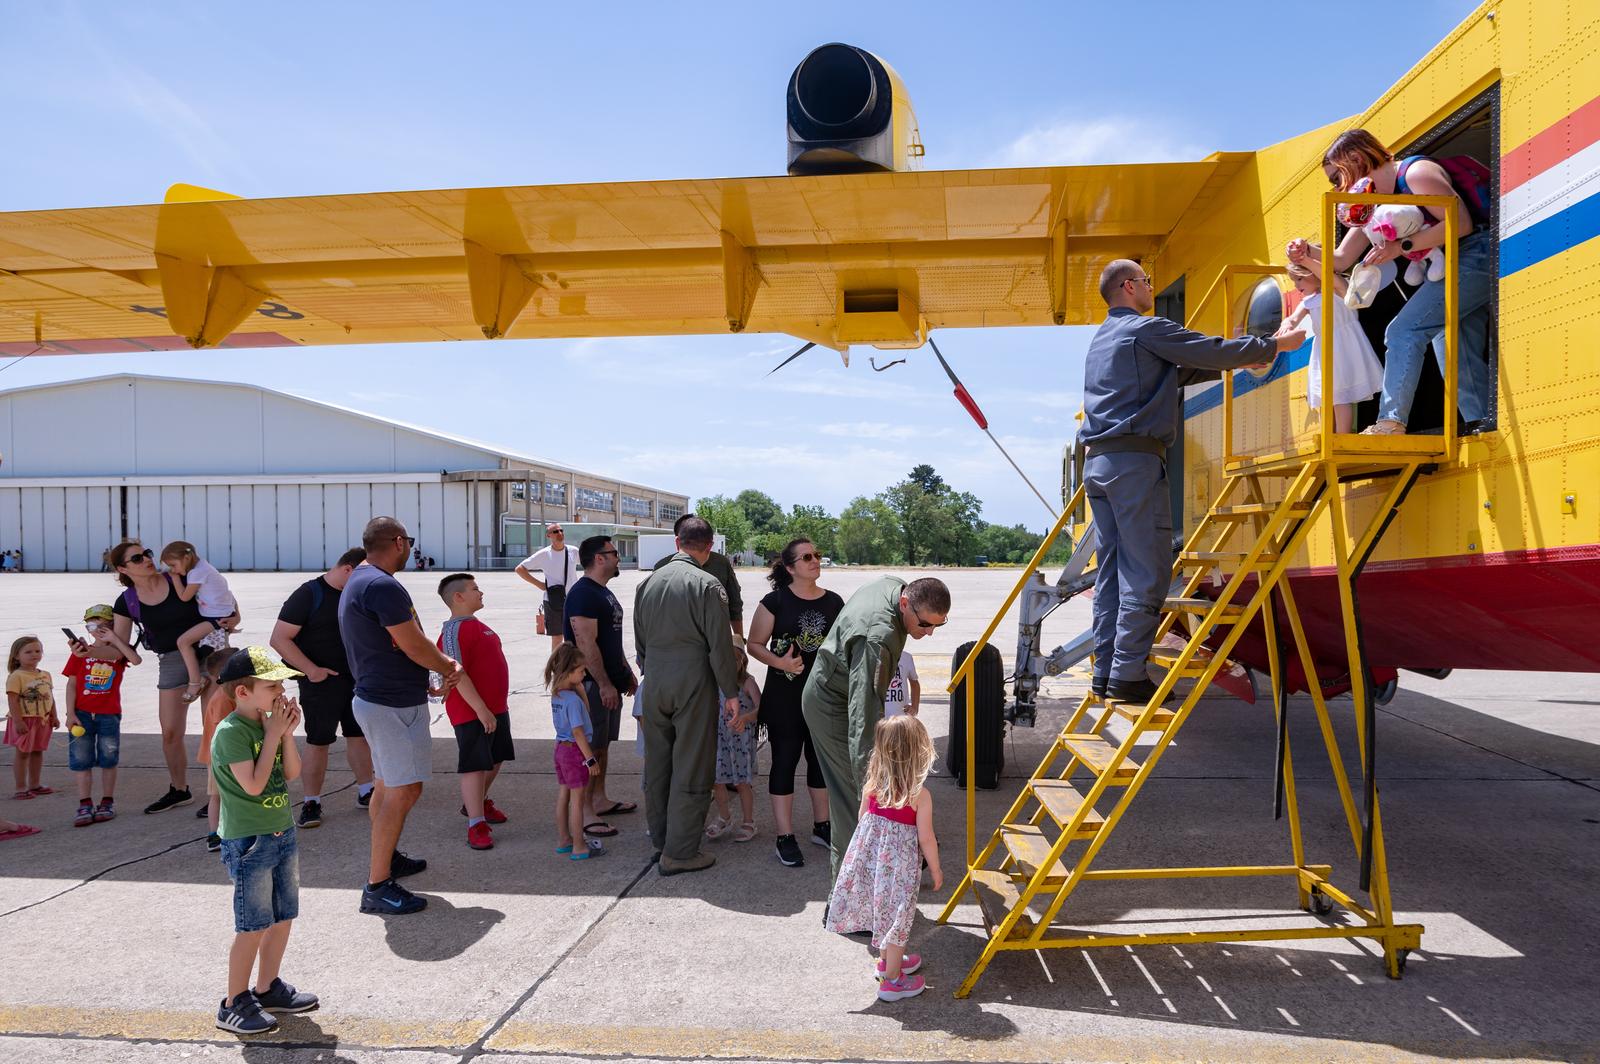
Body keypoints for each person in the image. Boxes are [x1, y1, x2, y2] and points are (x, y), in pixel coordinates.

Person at [1082, 260, 1302, 704]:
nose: (1151, 287)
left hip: (1100, 466)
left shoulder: (1103, 340)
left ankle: (1105, 672)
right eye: (1147, 281)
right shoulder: (1145, 329)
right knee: (1146, 573)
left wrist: (1242, 356)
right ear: (1129, 286)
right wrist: (1275, 344)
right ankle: (1127, 676)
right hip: (1134, 465)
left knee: (1111, 575)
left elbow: (1177, 372)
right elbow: (1208, 351)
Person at [1290, 128, 1493, 436]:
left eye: (1336, 177)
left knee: (1403, 330)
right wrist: (1305, 252)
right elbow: (1342, 259)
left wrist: (1400, 247)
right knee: (1453, 350)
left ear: (1356, 159)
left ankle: (1390, 422)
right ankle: (1482, 425)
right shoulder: (1371, 201)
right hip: (1453, 263)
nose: (1338, 187)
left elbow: (1461, 223)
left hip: (1476, 252)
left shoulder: (1416, 174)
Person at [339, 516, 462, 917]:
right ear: (397, 542)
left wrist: (424, 678)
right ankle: (377, 885)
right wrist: (448, 667)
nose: (409, 547)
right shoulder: (381, 585)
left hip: (382, 699)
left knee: (386, 785)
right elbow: (411, 642)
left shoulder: (362, 580)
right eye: (408, 541)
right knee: (404, 790)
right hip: (390, 705)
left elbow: (393, 644)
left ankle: (386, 858)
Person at [802, 575, 950, 885]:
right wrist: (871, 785)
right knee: (851, 802)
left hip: (845, 692)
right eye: (925, 624)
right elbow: (863, 718)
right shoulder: (877, 639)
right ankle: (845, 896)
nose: (930, 633)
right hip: (832, 706)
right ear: (905, 603)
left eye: (939, 625)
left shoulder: (894, 587)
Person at [208, 646, 318, 1035]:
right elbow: (253, 786)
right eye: (272, 686)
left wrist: (285, 735)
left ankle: (267, 987)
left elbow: (291, 773)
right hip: (249, 841)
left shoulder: (266, 726)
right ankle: (233, 1002)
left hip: (280, 832)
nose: (281, 692)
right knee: (253, 925)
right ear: (243, 693)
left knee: (282, 918)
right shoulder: (231, 733)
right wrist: (272, 734)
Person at [633, 515, 742, 876]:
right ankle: (680, 853)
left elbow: (640, 643)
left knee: (658, 763)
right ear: (709, 546)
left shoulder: (648, 583)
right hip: (692, 679)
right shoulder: (707, 584)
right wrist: (730, 691)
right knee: (692, 763)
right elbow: (719, 645)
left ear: (677, 542)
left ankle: (662, 840)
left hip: (655, 679)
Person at [822, 714, 943, 1002]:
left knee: (883, 912)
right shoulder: (919, 795)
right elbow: (926, 837)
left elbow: (863, 819)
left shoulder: (872, 785)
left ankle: (887, 962)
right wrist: (936, 870)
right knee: (899, 918)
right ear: (918, 753)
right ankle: (892, 981)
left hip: (873, 865)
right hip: (900, 869)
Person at [747, 537, 843, 868]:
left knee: (820, 763)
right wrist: (781, 663)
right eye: (806, 557)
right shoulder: (774, 602)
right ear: (790, 568)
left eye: (817, 555)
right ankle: (784, 836)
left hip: (823, 698)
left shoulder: (834, 602)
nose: (815, 560)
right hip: (784, 697)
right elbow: (754, 644)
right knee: (784, 763)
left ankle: (822, 826)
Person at [269, 549, 376, 829]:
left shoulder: (359, 593)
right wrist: (311, 670)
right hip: (320, 683)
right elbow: (279, 639)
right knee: (318, 741)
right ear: (348, 569)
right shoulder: (308, 594)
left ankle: (367, 790)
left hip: (357, 680)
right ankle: (311, 802)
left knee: (359, 736)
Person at [105, 538, 209, 813]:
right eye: (137, 558)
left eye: (147, 554)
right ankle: (179, 790)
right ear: (123, 569)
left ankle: (222, 795)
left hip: (209, 653)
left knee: (216, 727)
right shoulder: (127, 601)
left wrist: (232, 618)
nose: (147, 559)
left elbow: (224, 600)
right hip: (172, 660)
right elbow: (118, 650)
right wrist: (87, 652)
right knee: (170, 732)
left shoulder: (180, 578)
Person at [564, 535, 639, 838]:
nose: (618, 558)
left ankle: (599, 799)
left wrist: (624, 672)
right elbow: (585, 642)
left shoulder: (601, 592)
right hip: (590, 685)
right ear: (599, 558)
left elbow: (610, 639)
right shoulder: (583, 593)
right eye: (614, 553)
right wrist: (604, 684)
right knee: (590, 747)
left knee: (602, 745)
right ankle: (584, 812)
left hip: (606, 682)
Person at [436, 573, 513, 852]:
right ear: (458, 597)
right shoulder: (453, 630)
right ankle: (476, 823)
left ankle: (477, 802)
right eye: (475, 589)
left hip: (495, 708)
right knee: (475, 764)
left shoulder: (479, 626)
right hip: (471, 711)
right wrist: (480, 709)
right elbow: (456, 672)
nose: (480, 593)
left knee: (496, 758)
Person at [1275, 263, 1383, 434]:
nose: (1296, 285)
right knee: (1326, 398)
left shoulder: (1337, 290)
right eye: (1294, 280)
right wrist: (1286, 324)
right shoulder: (1308, 302)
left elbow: (1332, 279)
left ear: (1316, 274)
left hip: (1342, 347)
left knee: (1339, 397)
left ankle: (1341, 438)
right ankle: (1328, 436)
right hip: (1324, 349)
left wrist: (1307, 259)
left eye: (1300, 278)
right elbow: (1293, 318)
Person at [63, 605, 141, 826]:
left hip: (109, 714)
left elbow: (136, 660)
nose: (97, 630)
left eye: (103, 626)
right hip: (82, 714)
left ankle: (107, 801)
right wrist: (70, 713)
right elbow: (71, 684)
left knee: (108, 759)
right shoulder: (80, 652)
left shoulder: (118, 653)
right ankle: (84, 803)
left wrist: (115, 639)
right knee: (81, 760)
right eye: (91, 626)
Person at [162, 541, 241, 705]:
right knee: (214, 656)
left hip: (216, 619)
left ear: (186, 558)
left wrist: (175, 579)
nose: (173, 570)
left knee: (183, 642)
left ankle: (195, 682)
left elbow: (184, 597)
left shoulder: (197, 573)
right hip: (219, 616)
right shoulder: (205, 567)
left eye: (173, 565)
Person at [547, 643, 605, 860]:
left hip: (561, 750)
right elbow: (578, 731)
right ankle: (579, 846)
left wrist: (579, 689)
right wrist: (590, 759)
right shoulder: (572, 701)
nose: (584, 674)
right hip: (575, 753)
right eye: (581, 670)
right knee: (578, 800)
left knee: (564, 795)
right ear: (568, 671)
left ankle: (564, 839)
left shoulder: (558, 695)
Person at [652, 513, 744, 639]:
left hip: (714, 637)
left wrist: (739, 640)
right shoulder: (662, 566)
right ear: (678, 540)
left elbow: (735, 605)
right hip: (676, 639)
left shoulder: (721, 563)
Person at [705, 647, 760, 845]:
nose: (730, 665)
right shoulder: (716, 682)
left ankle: (748, 822)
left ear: (742, 661)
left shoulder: (747, 682)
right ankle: (724, 817)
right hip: (720, 740)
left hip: (740, 741)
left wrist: (746, 718)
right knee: (717, 781)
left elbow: (761, 707)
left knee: (741, 783)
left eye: (735, 660)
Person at [514, 523, 581, 650]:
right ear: (548, 535)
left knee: (576, 636)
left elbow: (588, 564)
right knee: (557, 637)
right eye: (555, 531)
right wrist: (540, 585)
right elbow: (520, 569)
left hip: (574, 600)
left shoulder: (573, 551)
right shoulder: (544, 554)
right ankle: (556, 662)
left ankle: (573, 662)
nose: (560, 533)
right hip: (553, 601)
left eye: (561, 530)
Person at [198, 649, 239, 851]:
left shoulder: (232, 694)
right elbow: (225, 731)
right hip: (220, 757)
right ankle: (214, 834)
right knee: (218, 795)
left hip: (226, 754)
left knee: (224, 795)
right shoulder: (223, 698)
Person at [6, 635, 57, 799]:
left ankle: (35, 784)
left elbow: (50, 696)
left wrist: (54, 716)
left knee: (37, 752)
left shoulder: (46, 674)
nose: (34, 654)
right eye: (28, 652)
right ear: (17, 656)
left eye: (37, 651)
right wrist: (18, 721)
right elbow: (12, 700)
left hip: (42, 720)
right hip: (24, 719)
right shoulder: (16, 676)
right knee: (22, 753)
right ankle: (20, 788)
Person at [882, 650, 920, 719]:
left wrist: (915, 707)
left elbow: (914, 683)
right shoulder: (869, 655)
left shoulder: (906, 657)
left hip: (900, 717)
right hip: (875, 717)